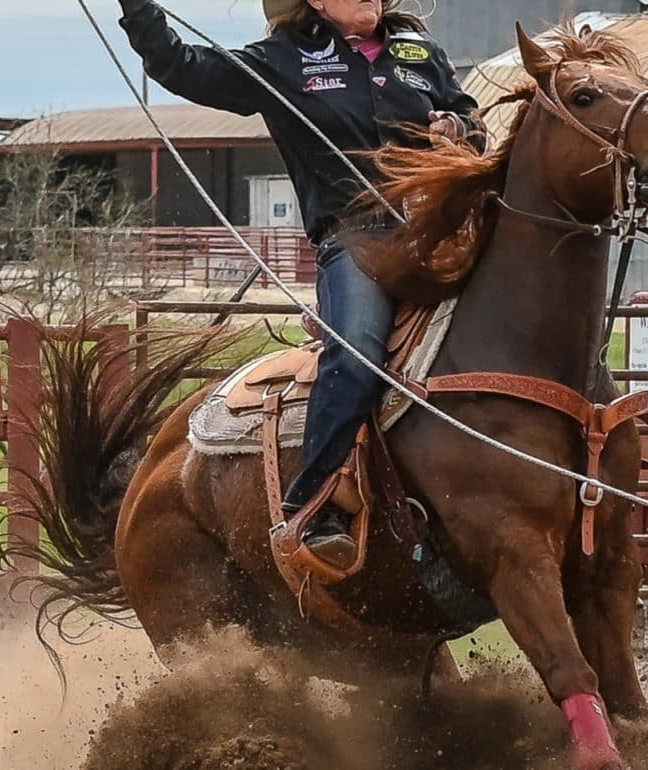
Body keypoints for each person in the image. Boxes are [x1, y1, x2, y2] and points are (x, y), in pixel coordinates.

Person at [117, 0, 480, 564]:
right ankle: (316, 505)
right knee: (358, 350)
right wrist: (139, 11)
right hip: (356, 239)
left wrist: (458, 128)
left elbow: (471, 121)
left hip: (439, 229)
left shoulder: (420, 52)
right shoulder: (287, 59)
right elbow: (183, 65)